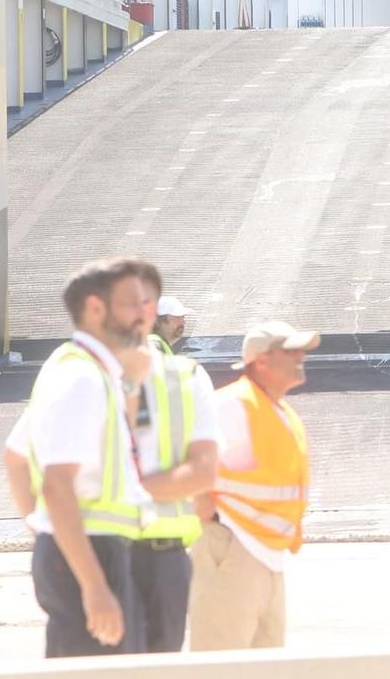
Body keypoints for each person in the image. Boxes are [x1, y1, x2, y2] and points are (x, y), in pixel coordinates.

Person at [0, 256, 157, 658]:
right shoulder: (83, 379)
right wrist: (93, 585)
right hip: (90, 554)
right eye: (132, 303)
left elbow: (15, 456)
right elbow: (56, 485)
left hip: (84, 549)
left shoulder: (77, 369)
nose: (144, 313)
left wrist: (48, 532)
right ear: (94, 308)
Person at [189, 321, 319, 652]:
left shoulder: (279, 412)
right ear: (261, 360)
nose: (301, 356)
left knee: (266, 666)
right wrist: (214, 524)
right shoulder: (232, 404)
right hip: (234, 547)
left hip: (268, 556)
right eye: (291, 351)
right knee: (221, 668)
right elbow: (190, 461)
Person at [127, 277, 218, 653]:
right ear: (158, 321)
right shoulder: (175, 369)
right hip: (163, 540)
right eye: (176, 319)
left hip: (119, 540)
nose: (182, 325)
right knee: (163, 650)